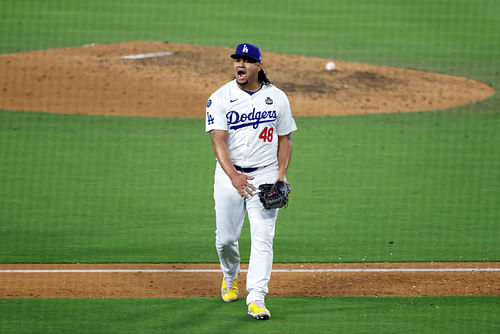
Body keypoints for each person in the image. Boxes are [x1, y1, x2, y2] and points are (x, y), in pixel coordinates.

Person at [205, 42, 297, 320]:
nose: (240, 65)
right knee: (226, 240)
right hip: (229, 175)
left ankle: (256, 297)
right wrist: (233, 176)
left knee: (263, 237)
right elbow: (217, 139)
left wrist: (281, 175)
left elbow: (285, 138)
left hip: (265, 174)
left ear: (259, 65)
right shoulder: (220, 97)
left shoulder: (277, 97)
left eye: (246, 60)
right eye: (237, 60)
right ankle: (229, 275)